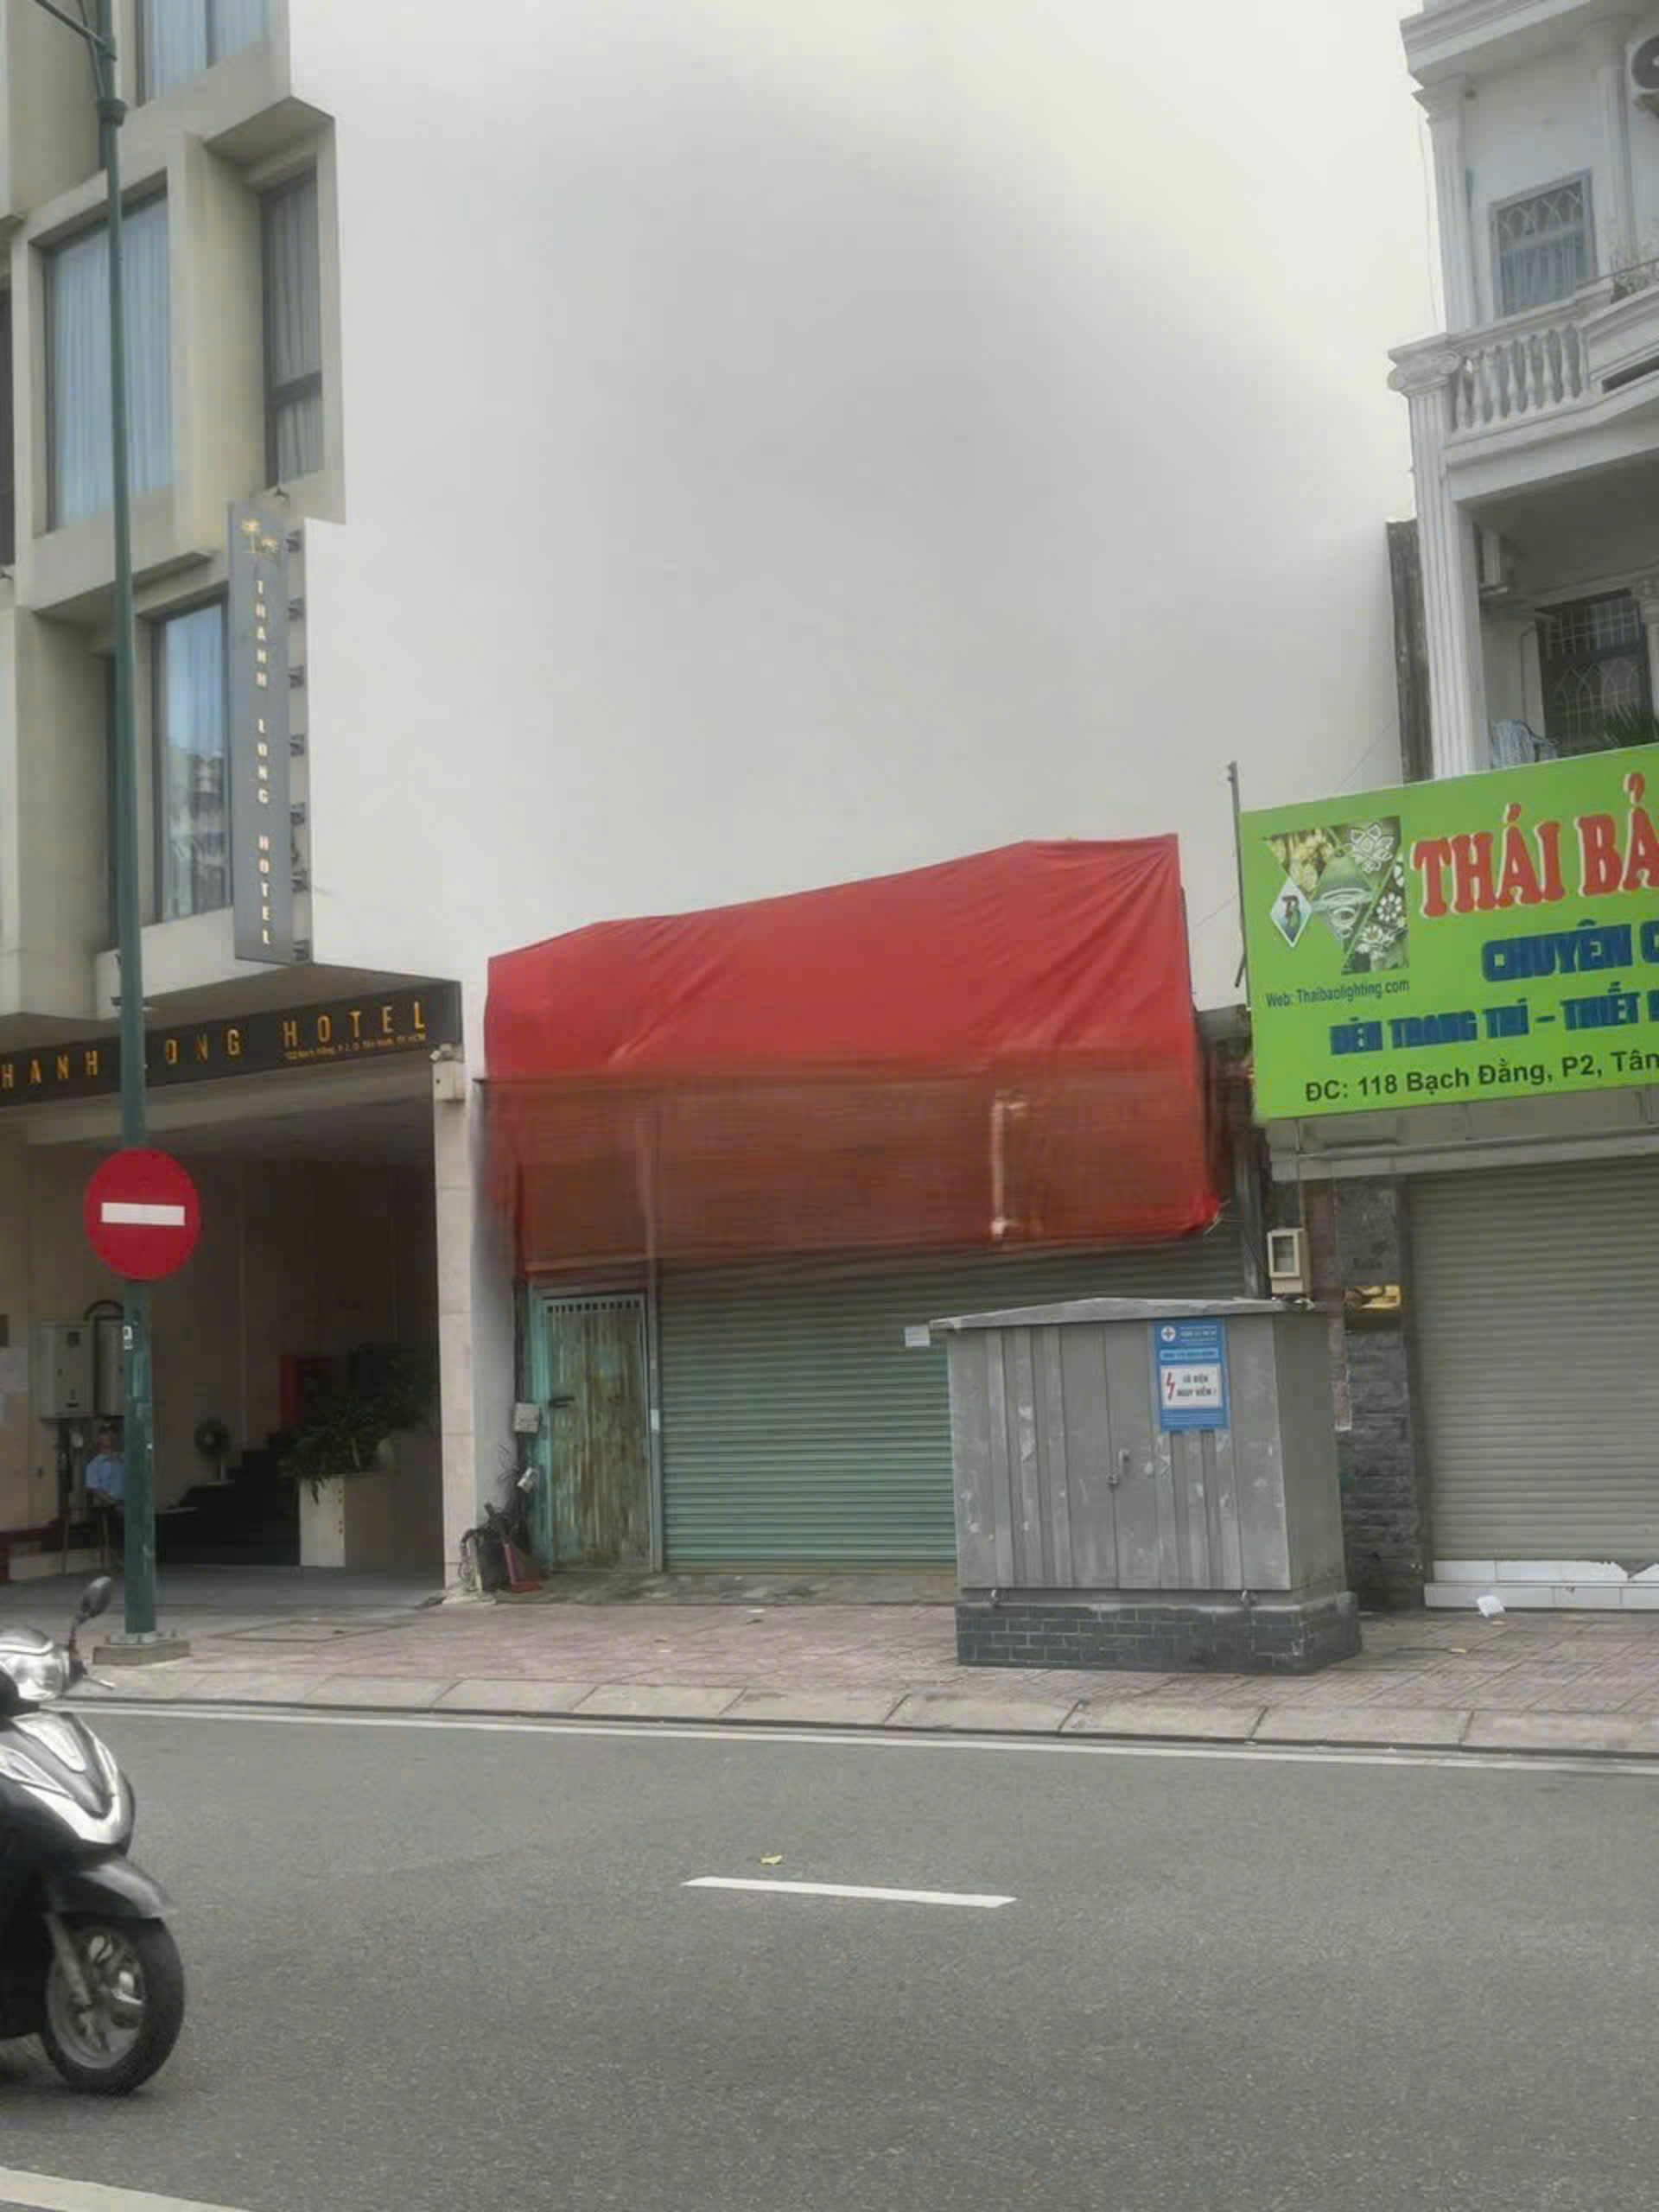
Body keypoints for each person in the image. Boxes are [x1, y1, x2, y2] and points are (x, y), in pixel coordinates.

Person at [85, 1423, 125, 1565]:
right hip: (108, 1504)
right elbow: (95, 1489)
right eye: (106, 1434)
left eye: (112, 1434)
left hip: (127, 1501)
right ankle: (118, 1557)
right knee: (118, 1516)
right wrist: (114, 1502)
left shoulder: (124, 1459)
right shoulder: (94, 1465)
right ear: (99, 1438)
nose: (109, 1438)